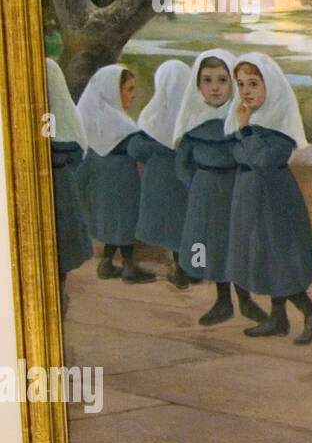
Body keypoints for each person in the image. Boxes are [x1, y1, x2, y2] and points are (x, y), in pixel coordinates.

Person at [225, 53, 312, 342]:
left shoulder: (279, 125)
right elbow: (239, 154)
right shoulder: (247, 121)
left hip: (274, 199)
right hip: (249, 197)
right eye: (241, 84)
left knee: (279, 257)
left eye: (254, 84)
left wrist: (245, 132)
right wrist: (245, 136)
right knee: (263, 257)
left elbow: (263, 158)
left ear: (269, 86)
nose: (245, 91)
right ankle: (278, 318)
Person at [174, 50, 269, 326]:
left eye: (222, 80)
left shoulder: (241, 119)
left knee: (237, 244)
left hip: (235, 190)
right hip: (204, 192)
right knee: (213, 248)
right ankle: (223, 301)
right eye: (207, 80)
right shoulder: (193, 123)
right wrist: (194, 184)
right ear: (197, 84)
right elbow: (182, 163)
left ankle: (246, 300)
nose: (214, 87)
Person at [75, 64, 155, 283]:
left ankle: (107, 263)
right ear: (112, 92)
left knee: (112, 224)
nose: (134, 94)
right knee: (125, 223)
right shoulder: (120, 124)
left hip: (101, 184)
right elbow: (140, 149)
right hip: (122, 181)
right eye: (129, 89)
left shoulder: (91, 119)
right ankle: (129, 268)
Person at [130, 60, 193, 289]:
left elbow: (138, 149)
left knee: (171, 227)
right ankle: (190, 269)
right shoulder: (194, 114)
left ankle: (180, 269)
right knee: (187, 225)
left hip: (159, 177)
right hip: (185, 178)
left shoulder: (153, 113)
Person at [45, 58, 93, 313]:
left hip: (58, 184)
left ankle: (58, 295)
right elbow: (76, 149)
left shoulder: (55, 116)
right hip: (60, 180)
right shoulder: (62, 117)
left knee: (60, 242)